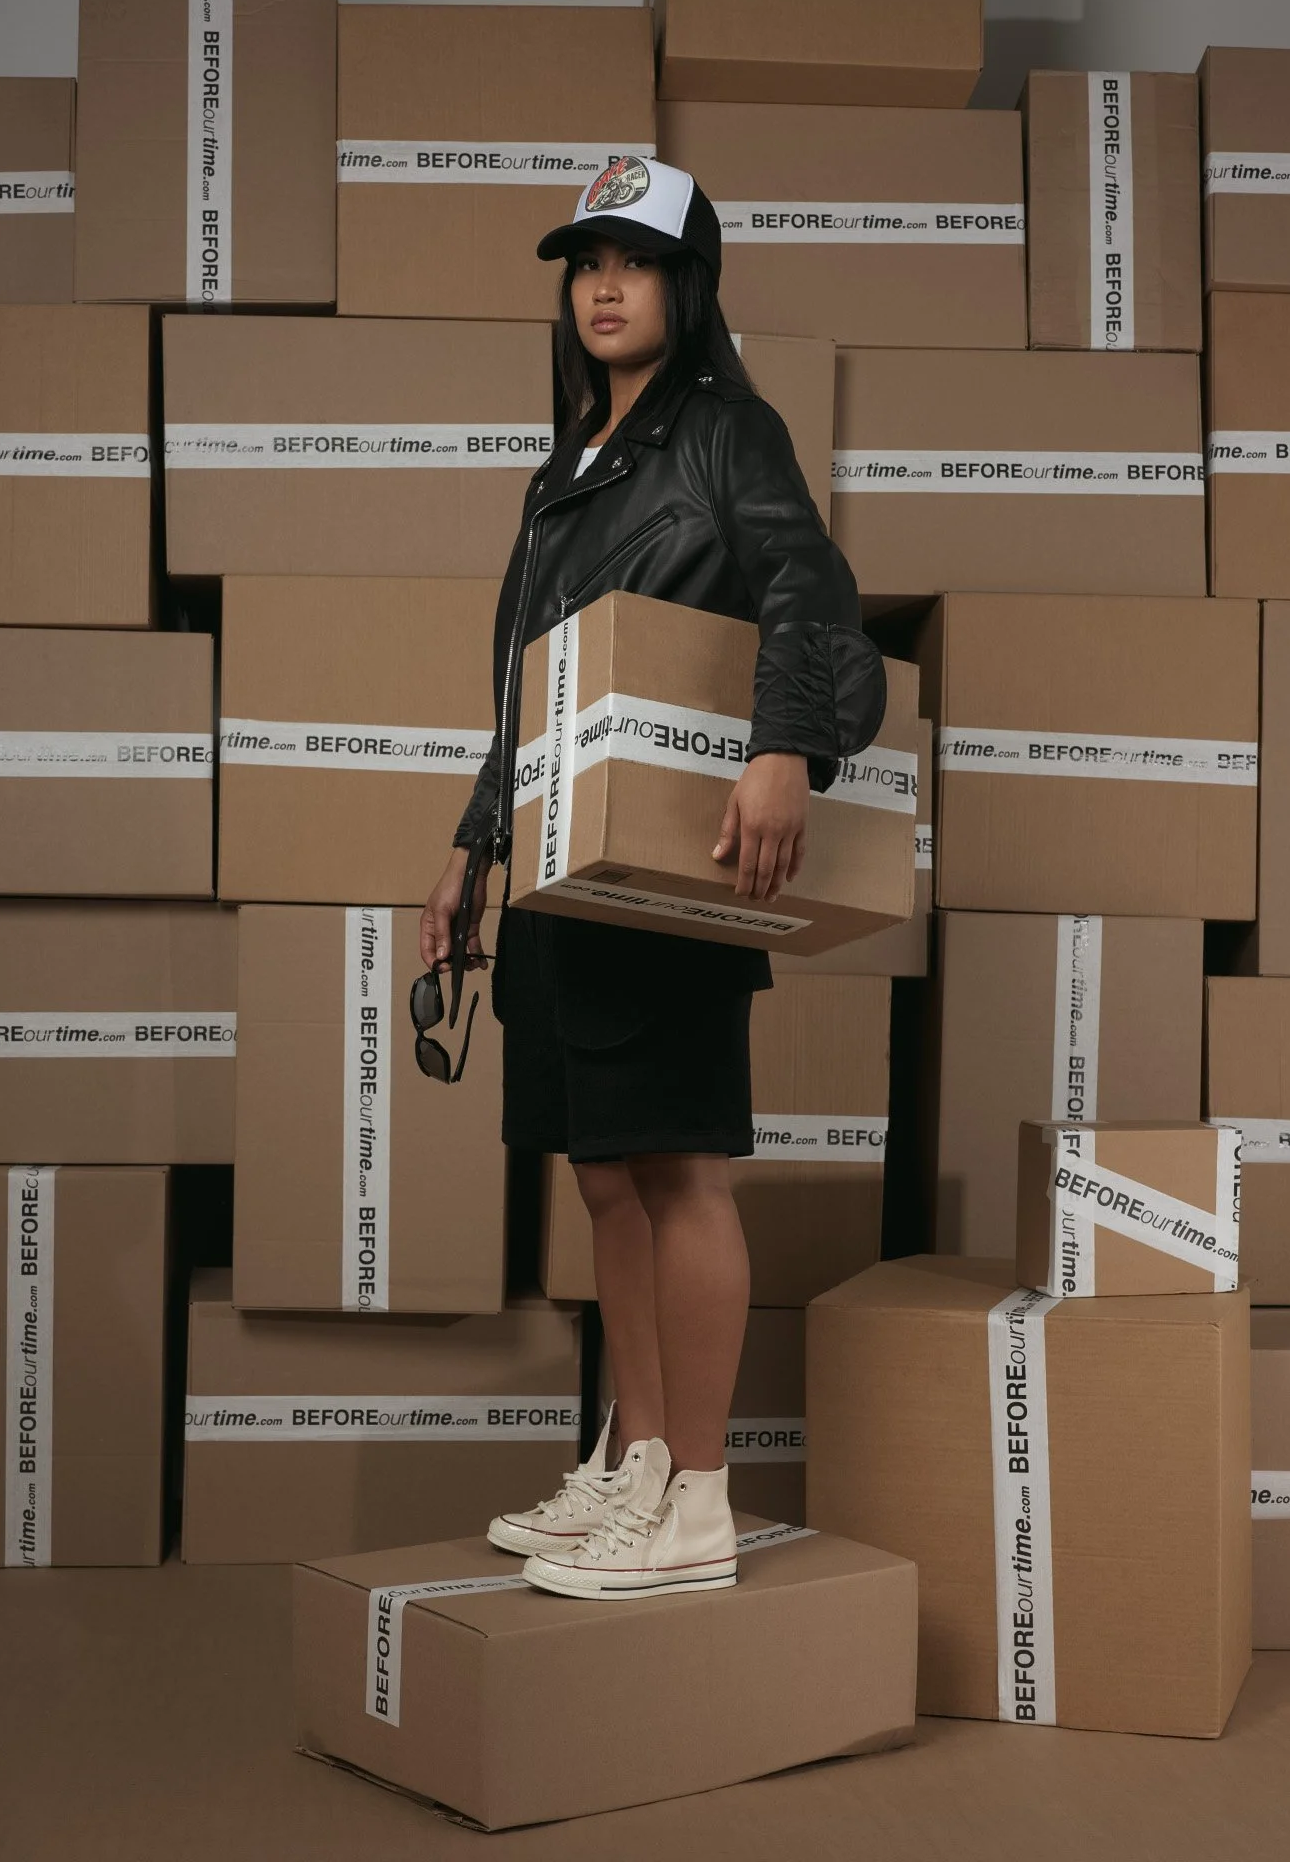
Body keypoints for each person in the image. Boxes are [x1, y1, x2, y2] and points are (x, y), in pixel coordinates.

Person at [420, 156, 885, 1600]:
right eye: (584, 263)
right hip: (560, 873)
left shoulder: (722, 432)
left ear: (690, 286)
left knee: (677, 1168)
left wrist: (784, 750)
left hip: (669, 860)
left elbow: (807, 588)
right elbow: (528, 694)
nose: (604, 286)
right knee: (608, 1180)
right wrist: (468, 851)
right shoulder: (567, 467)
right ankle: (635, 1460)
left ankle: (696, 1500)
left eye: (637, 261)